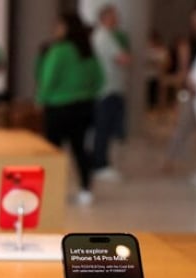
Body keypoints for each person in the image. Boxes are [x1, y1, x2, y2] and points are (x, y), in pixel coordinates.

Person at [37, 13, 104, 205]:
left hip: (58, 107)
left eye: (58, 25)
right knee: (80, 149)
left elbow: (48, 79)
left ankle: (51, 190)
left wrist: (41, 99)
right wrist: (86, 93)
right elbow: (100, 80)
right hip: (83, 107)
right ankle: (85, 189)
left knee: (52, 151)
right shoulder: (87, 51)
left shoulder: (59, 51)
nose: (54, 29)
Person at [91, 4, 131, 182]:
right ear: (106, 18)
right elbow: (122, 58)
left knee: (104, 128)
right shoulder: (104, 37)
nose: (118, 20)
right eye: (114, 16)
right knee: (103, 128)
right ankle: (100, 164)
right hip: (107, 89)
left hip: (107, 88)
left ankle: (100, 162)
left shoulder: (102, 36)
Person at [163, 7, 196, 184]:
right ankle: (169, 161)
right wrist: (186, 87)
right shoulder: (187, 44)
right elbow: (184, 71)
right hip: (190, 92)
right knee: (182, 128)